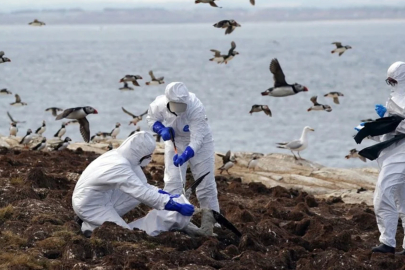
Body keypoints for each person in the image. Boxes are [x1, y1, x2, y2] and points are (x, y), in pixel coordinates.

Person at [72, 131, 194, 237]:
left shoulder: (125, 157)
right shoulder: (119, 166)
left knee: (134, 196)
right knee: (124, 234)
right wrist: (175, 206)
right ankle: (91, 225)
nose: (150, 159)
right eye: (148, 156)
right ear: (139, 153)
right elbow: (142, 193)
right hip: (89, 206)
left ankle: (91, 226)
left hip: (101, 197)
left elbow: (143, 185)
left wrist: (166, 195)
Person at [146, 82, 220, 215]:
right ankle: (170, 218)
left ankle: (212, 219)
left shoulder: (195, 107)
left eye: (182, 106)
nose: (180, 110)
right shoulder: (159, 104)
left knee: (205, 184)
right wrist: (161, 129)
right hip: (175, 141)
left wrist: (185, 155)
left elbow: (197, 139)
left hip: (201, 143)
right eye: (176, 106)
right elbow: (151, 119)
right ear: (168, 101)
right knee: (173, 181)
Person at [366, 62, 405, 254]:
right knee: (403, 200)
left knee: (383, 193)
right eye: (388, 81)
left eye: (393, 80)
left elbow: (400, 127)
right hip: (395, 152)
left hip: (402, 156)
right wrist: (371, 130)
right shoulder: (396, 98)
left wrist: (391, 122)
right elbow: (393, 130)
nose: (391, 84)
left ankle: (388, 242)